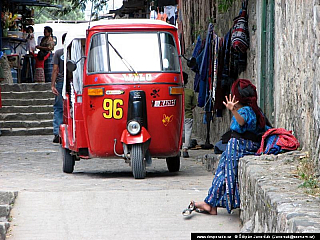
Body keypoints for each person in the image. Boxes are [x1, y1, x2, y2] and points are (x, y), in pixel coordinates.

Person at [182, 78, 269, 215]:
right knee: (221, 172)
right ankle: (210, 204)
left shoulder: (246, 111)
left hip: (239, 147)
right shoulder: (254, 110)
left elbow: (241, 122)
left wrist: (233, 110)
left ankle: (210, 204)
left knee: (223, 175)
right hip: (237, 146)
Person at [51, 33, 66, 143]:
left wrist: (53, 85)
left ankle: (57, 132)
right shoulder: (76, 50)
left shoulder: (59, 52)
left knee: (58, 107)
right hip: (74, 82)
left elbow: (55, 69)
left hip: (61, 82)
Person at [182, 72, 197, 158]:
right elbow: (194, 105)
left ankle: (178, 148)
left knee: (180, 133)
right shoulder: (190, 92)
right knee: (188, 132)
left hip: (178, 116)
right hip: (188, 115)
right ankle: (185, 149)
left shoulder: (175, 92)